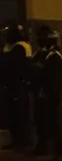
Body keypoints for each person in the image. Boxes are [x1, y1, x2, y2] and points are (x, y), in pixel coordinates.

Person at [31, 25, 62, 157]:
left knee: (52, 120)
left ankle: (57, 147)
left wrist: (40, 71)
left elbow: (52, 76)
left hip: (50, 93)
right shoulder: (40, 54)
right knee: (40, 120)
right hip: (40, 91)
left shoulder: (54, 56)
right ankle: (42, 145)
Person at [1, 22, 32, 152]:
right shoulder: (12, 47)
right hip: (11, 84)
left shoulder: (20, 47)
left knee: (20, 114)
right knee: (13, 114)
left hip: (18, 84)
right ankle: (16, 140)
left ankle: (22, 141)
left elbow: (16, 67)